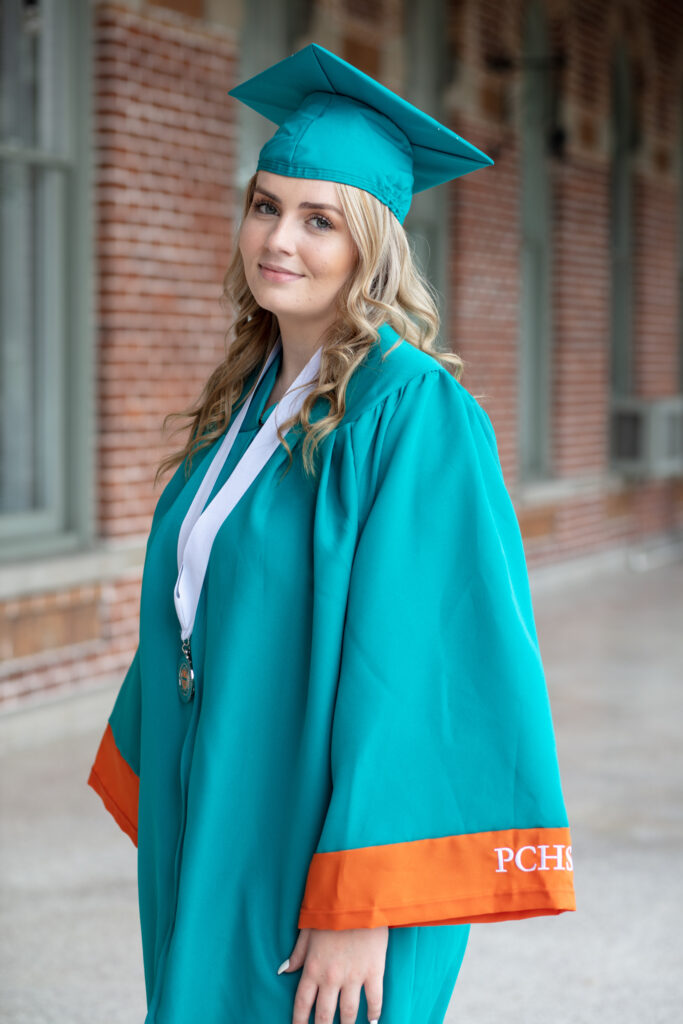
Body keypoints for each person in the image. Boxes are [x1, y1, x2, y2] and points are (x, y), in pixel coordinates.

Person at [88, 43, 576, 1024]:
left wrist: (363, 901)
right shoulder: (252, 396)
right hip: (229, 804)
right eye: (265, 205)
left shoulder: (413, 412)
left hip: (328, 854)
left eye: (319, 219)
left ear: (372, 243)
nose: (280, 238)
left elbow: (420, 666)